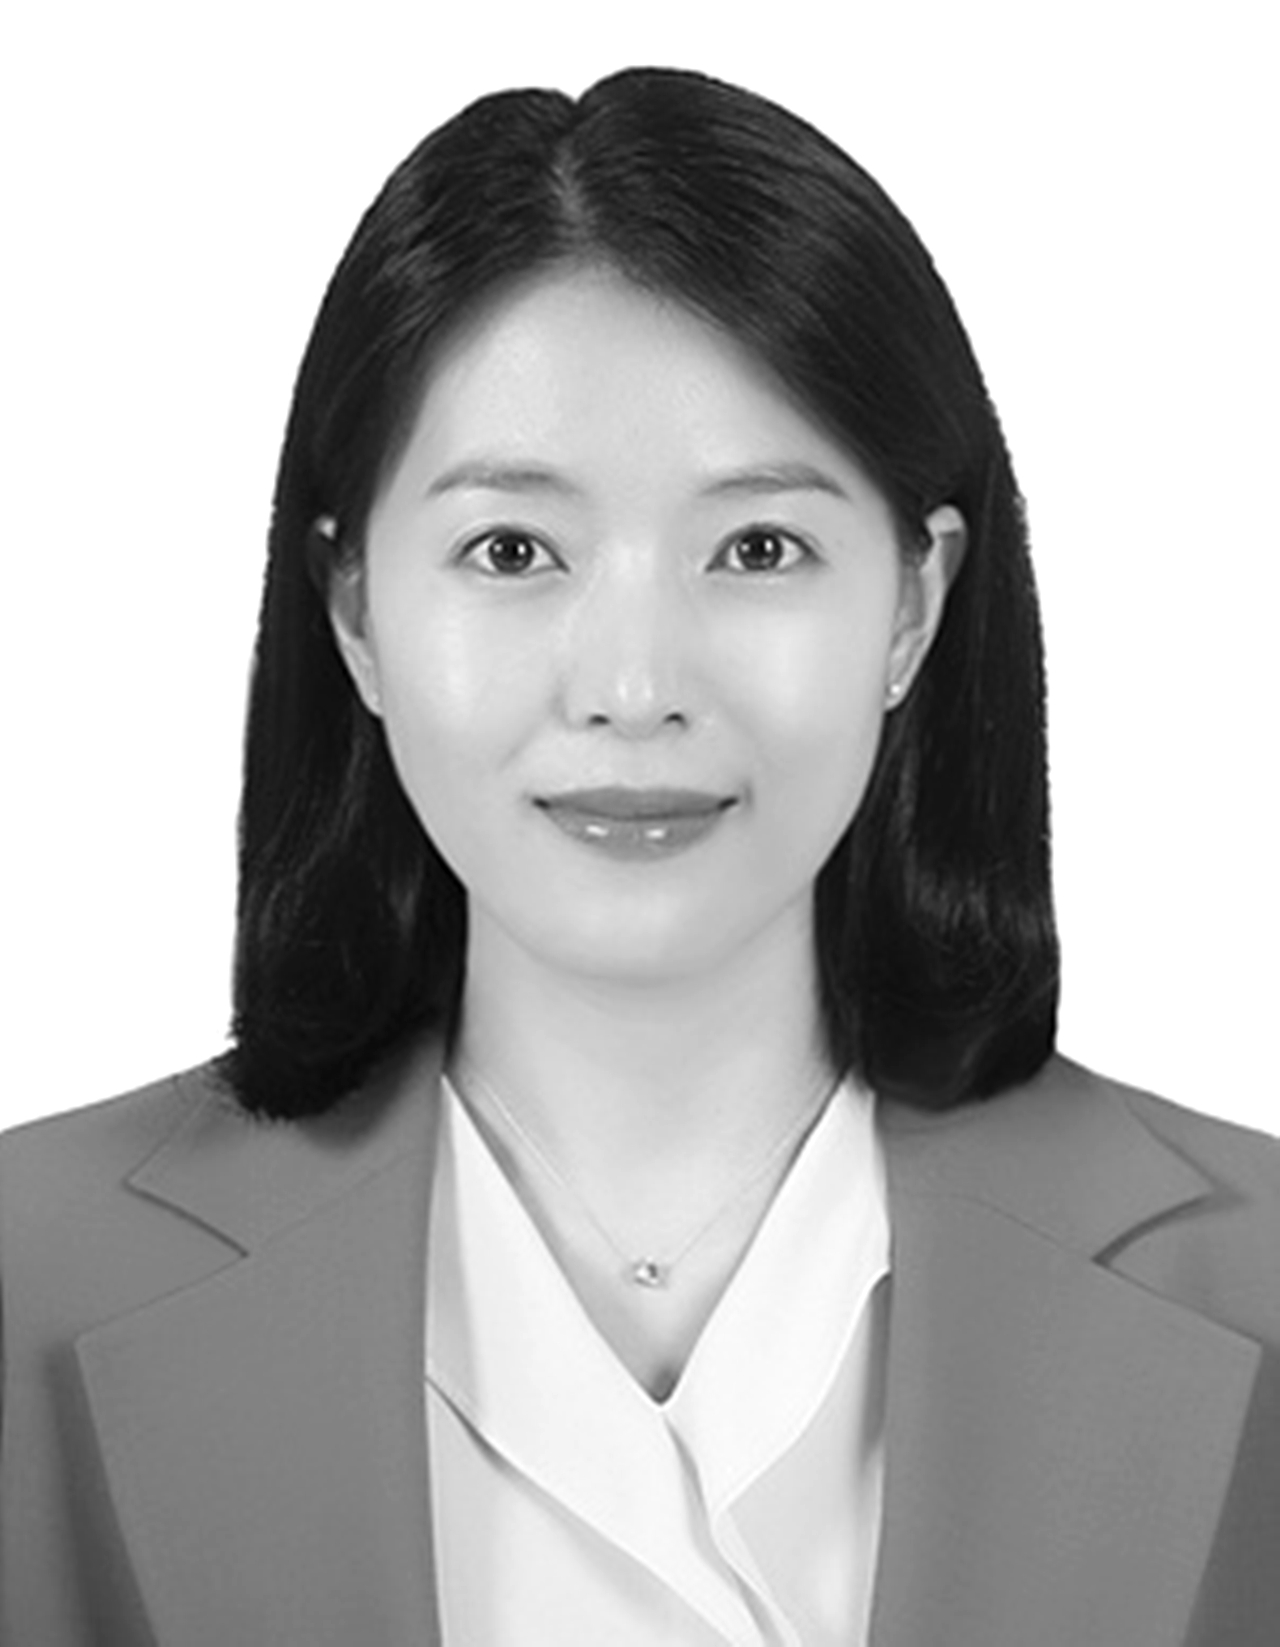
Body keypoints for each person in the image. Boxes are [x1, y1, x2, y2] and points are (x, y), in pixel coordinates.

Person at [1, 66, 1277, 1647]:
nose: (632, 684)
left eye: (759, 548)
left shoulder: (1254, 1277)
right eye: (511, 550)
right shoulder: (28, 1280)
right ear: (355, 609)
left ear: (912, 605)